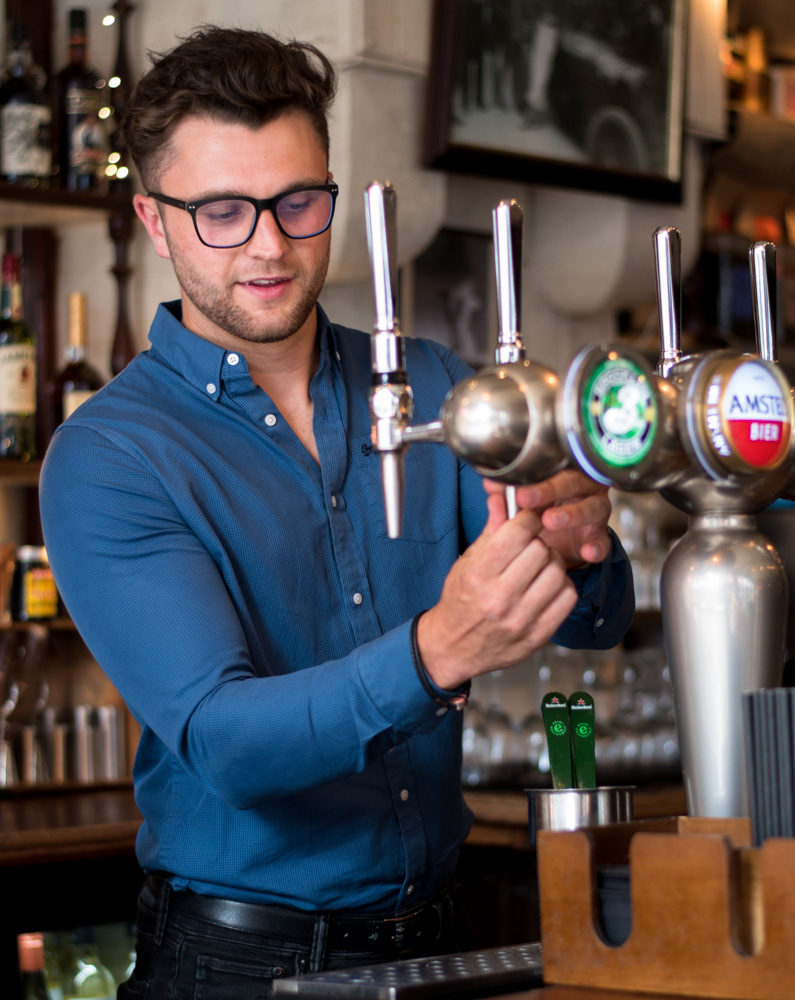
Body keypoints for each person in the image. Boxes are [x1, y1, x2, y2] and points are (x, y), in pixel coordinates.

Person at [39, 25, 634, 998]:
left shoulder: (431, 382)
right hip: (239, 967)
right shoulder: (112, 455)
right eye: (222, 211)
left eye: (298, 202)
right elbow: (226, 742)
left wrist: (583, 546)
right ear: (153, 221)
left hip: (439, 941)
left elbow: (595, 623)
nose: (270, 244)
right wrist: (434, 651)